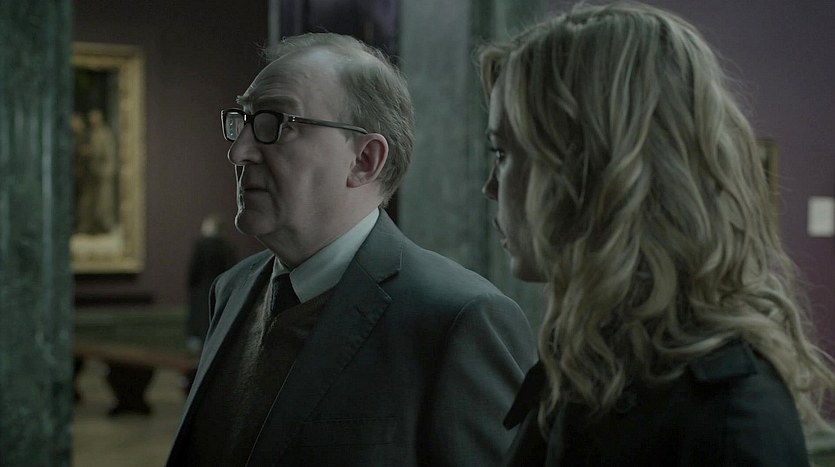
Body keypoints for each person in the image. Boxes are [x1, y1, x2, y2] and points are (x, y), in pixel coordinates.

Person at [478, 3, 835, 466]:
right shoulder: (590, 364)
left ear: (591, 169)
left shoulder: (729, 417)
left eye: (503, 153)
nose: (490, 188)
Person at [167, 33, 536, 466]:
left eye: (275, 123)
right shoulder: (233, 288)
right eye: (243, 120)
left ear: (364, 160)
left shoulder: (458, 319)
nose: (239, 151)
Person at [185, 214, 237, 354]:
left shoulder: (200, 246)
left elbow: (193, 271)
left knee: (199, 334)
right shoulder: (227, 247)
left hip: (201, 293)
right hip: (221, 294)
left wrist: (191, 288)